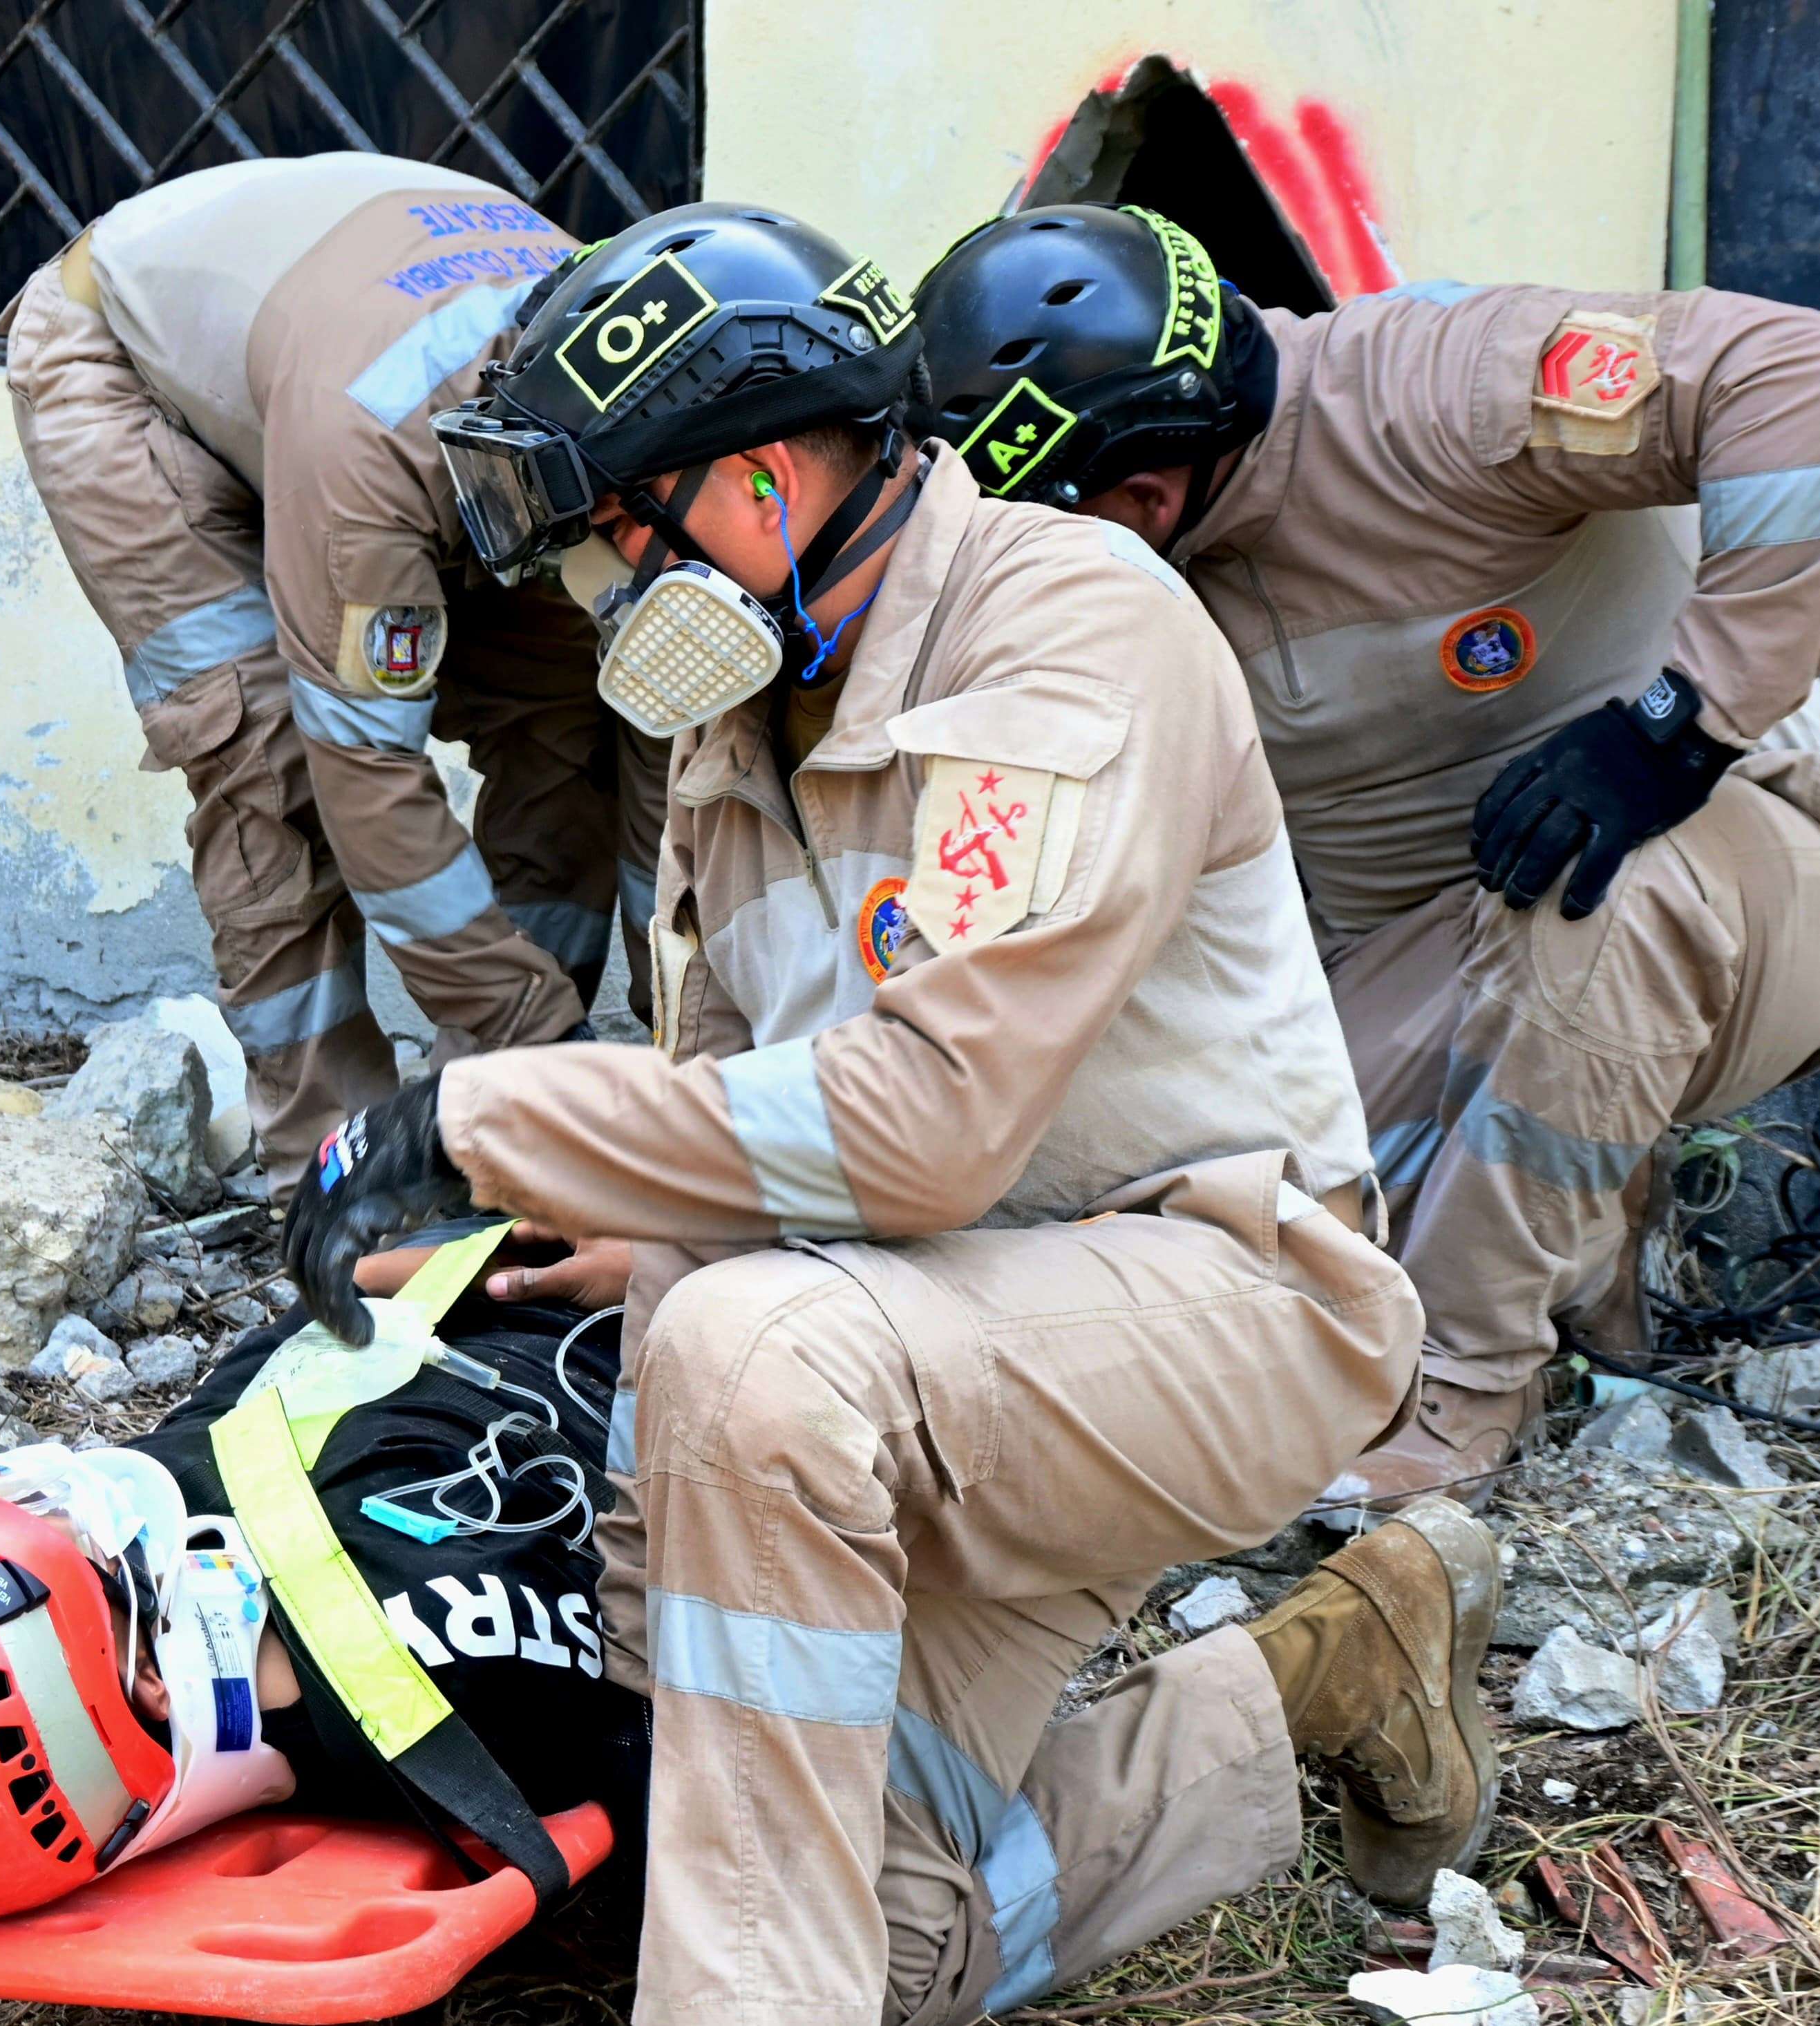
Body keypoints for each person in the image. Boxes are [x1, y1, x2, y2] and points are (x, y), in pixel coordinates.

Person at [283, 200, 1500, 2025]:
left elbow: (925, 1124)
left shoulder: (1067, 619)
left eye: (617, 532)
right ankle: (1334, 1666)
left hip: (1215, 1305)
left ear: (762, 480)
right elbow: (742, 1104)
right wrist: (623, 1234)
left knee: (752, 1350)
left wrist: (480, 1119)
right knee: (883, 1935)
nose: (598, 588)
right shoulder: (737, 729)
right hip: (921, 1335)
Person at [912, 205, 1820, 1507]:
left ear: (1149, 491)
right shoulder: (1128, 562)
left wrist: (1676, 729)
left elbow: (1791, 378)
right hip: (1425, 960)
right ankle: (1581, 1276)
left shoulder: (1433, 391)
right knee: (1182, 1224)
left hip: (1740, 865)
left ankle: (1461, 1394)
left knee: (1594, 898)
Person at [0, 153, 671, 1192]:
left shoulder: (661, 411)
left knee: (573, 722)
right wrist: (537, 1036)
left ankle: (493, 1121)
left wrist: (704, 1050)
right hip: (129, 366)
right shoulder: (374, 468)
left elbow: (672, 778)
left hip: (350, 352)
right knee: (272, 763)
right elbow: (366, 776)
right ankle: (333, 1175)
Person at [0, 1234, 645, 1924]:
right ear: (152, 1683)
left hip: (514, 1295)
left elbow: (336, 1298)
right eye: (66, 1547)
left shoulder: (174, 1525)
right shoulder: (465, 1668)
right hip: (621, 1324)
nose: (62, 1501)